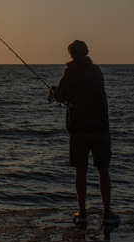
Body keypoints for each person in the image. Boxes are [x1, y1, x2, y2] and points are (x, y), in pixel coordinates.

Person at [47, 40, 117, 226]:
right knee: (103, 171)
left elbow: (62, 95)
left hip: (79, 129)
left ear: (71, 54)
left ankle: (83, 212)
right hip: (101, 127)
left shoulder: (71, 73)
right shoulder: (96, 71)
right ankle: (107, 212)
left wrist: (52, 91)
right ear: (86, 52)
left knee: (81, 170)